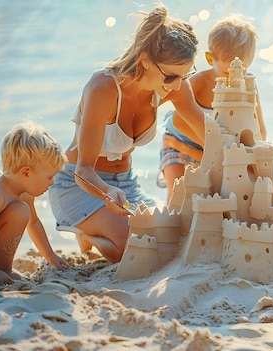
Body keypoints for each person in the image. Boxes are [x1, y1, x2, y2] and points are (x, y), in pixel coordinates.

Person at [48, 4, 201, 263]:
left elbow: (209, 134)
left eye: (185, 76)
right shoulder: (103, 88)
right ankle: (88, 236)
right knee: (138, 251)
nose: (177, 85)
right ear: (145, 60)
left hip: (126, 186)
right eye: (171, 76)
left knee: (173, 238)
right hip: (82, 186)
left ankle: (100, 232)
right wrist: (106, 192)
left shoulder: (173, 86)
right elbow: (83, 170)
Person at [159, 15, 266, 204]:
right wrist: (191, 148)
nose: (235, 77)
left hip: (215, 149)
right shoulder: (198, 83)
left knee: (213, 198)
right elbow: (178, 121)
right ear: (210, 59)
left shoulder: (248, 85)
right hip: (180, 141)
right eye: (227, 71)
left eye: (243, 70)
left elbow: (260, 131)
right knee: (178, 196)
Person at [0, 121, 69, 284]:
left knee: (22, 210)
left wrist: (50, 255)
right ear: (26, 172)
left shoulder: (25, 192)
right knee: (20, 211)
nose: (52, 183)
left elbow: (34, 223)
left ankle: (3, 268)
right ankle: (4, 269)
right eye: (49, 177)